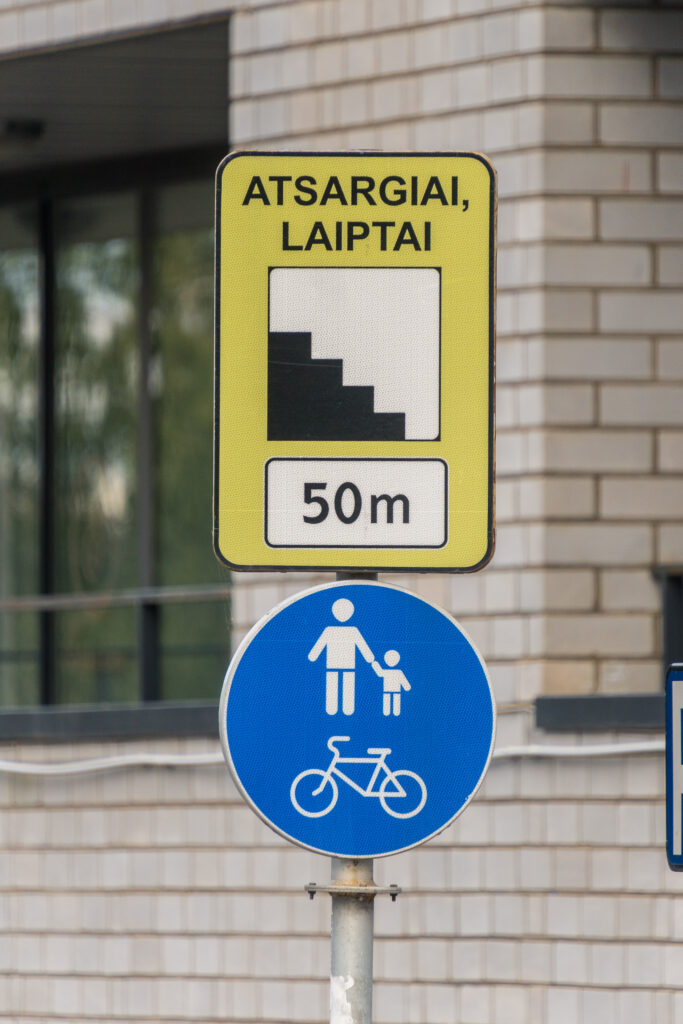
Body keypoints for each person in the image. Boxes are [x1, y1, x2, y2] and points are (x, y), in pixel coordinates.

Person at [308, 598, 375, 715]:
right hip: (344, 666)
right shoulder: (339, 631)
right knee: (340, 686)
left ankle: (337, 709)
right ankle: (343, 709)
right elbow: (364, 649)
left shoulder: (339, 631)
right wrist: (370, 659)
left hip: (336, 666)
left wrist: (313, 656)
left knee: (339, 686)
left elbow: (316, 650)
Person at [372, 650, 411, 716]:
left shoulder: (398, 672)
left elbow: (379, 673)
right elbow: (379, 673)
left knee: (395, 701)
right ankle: (389, 712)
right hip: (390, 691)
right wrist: (375, 665)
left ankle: (393, 712)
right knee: (389, 701)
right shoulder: (395, 672)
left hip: (393, 691)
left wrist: (375, 664)